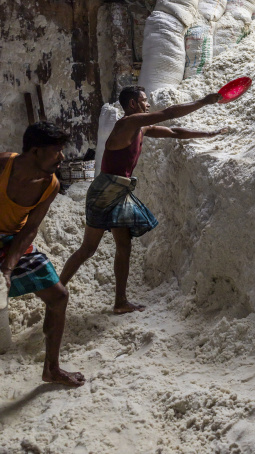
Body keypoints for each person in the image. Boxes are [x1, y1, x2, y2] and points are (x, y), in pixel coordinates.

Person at [60, 86, 227, 314]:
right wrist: (203, 101)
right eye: (144, 101)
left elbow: (175, 132)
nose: (148, 105)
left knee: (124, 246)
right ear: (132, 104)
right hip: (105, 190)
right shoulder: (128, 123)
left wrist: (208, 134)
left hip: (119, 191)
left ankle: (120, 302)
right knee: (88, 249)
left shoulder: (141, 128)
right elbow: (168, 113)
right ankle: (57, 291)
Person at [0, 122, 85, 387]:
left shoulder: (51, 185)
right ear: (35, 151)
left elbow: (29, 230)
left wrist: (7, 269)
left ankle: (52, 369)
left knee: (58, 296)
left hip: (13, 241)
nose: (62, 157)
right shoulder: (3, 165)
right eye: (57, 151)